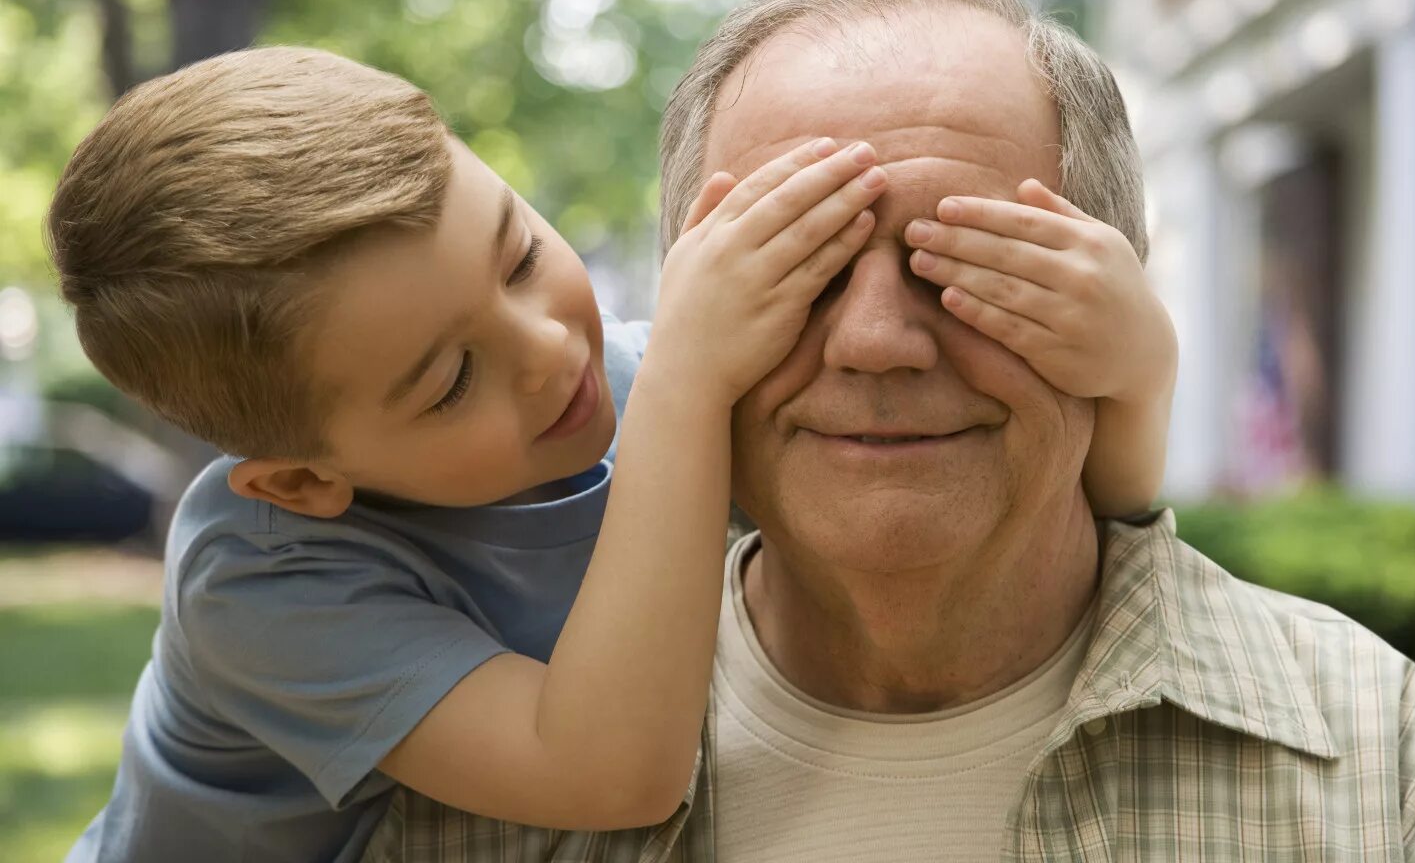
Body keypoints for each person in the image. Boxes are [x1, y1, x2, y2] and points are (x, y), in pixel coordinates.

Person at [363, 0, 1415, 862]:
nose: (875, 340)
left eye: (967, 262)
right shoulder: (481, 803)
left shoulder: (1400, 784)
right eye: (799, 262)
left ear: (1115, 294)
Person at [48, 42, 1175, 861]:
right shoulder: (260, 579)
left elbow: (1092, 513)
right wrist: (691, 380)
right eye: (449, 381)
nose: (547, 353)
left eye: (520, 252)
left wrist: (1135, 365)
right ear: (303, 477)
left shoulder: (639, 382)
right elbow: (611, 775)